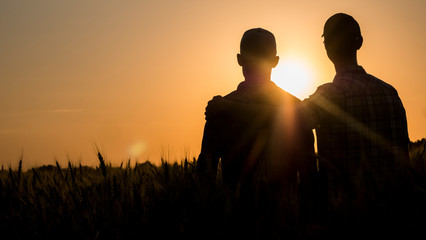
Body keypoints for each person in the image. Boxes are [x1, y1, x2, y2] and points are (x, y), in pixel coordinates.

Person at [205, 13, 410, 232]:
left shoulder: (331, 96)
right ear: (359, 42)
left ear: (327, 48)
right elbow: (404, 158)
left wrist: (229, 108)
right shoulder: (391, 94)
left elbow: (285, 118)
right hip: (397, 219)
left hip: (345, 222)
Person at [197, 28, 315, 194]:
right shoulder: (296, 109)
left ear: (239, 60)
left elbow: (205, 174)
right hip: (284, 217)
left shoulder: (219, 110)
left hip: (236, 215)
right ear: (275, 61)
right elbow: (309, 175)